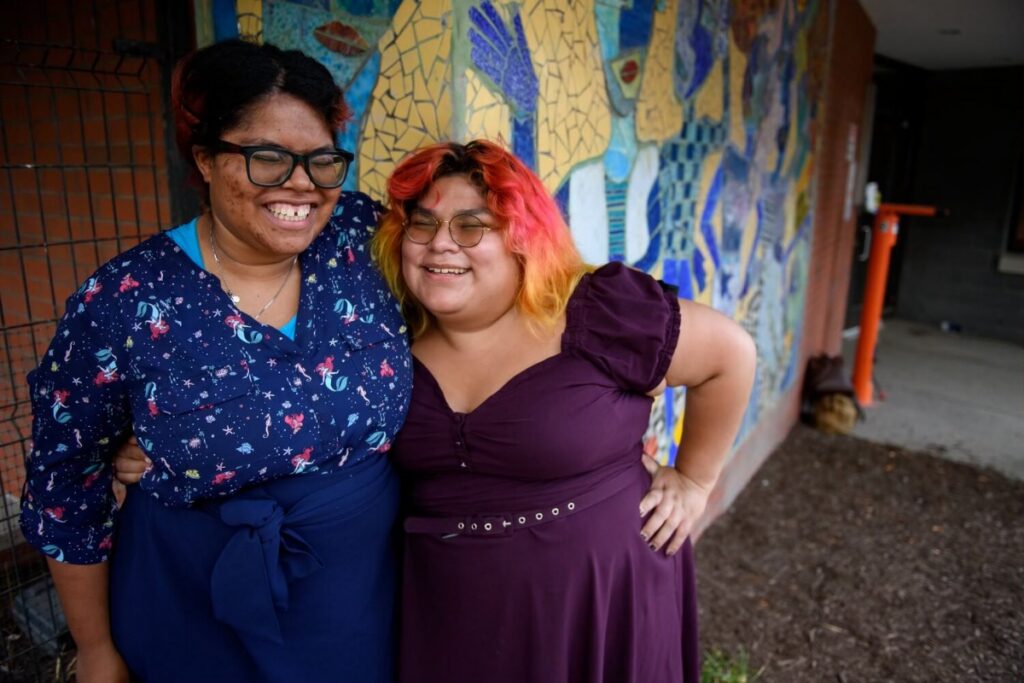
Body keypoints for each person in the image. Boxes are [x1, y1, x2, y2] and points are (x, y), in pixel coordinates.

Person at [20, 40, 411, 683]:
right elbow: (67, 483)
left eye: (321, 161)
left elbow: (492, 302)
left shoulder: (360, 240)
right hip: (197, 606)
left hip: (366, 593)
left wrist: (636, 419)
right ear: (204, 159)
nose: (301, 184)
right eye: (265, 159)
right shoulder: (125, 298)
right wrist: (95, 651)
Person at [372, 140, 756, 682]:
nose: (440, 245)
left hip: (599, 603)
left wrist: (694, 482)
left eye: (471, 226)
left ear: (520, 238)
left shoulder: (594, 313)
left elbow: (730, 356)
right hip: (452, 611)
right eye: (423, 223)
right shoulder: (387, 333)